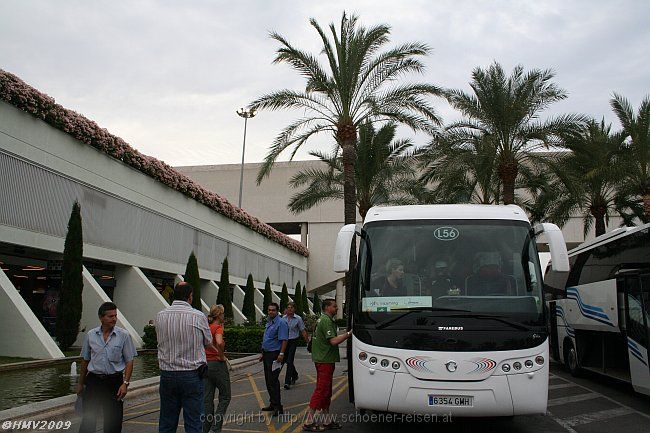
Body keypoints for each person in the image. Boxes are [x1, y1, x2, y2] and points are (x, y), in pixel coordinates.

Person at [156, 282, 214, 433]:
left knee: (167, 422)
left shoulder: (161, 315)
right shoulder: (198, 316)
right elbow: (208, 342)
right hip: (192, 375)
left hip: (167, 374)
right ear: (190, 296)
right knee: (194, 423)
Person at [77, 302, 137, 433]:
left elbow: (129, 361)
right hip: (94, 381)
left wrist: (125, 384)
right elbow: (85, 360)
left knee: (113, 421)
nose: (114, 319)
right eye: (110, 316)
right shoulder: (91, 335)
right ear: (101, 317)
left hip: (114, 382)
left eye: (115, 316)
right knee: (88, 419)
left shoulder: (123, 336)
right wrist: (80, 383)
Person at [303, 299, 351, 431]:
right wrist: (348, 334)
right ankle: (308, 421)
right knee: (321, 390)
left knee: (326, 391)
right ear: (327, 307)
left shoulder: (322, 320)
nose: (337, 308)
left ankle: (327, 420)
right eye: (334, 306)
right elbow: (334, 341)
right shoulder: (326, 321)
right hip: (325, 361)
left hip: (323, 360)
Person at [203, 304, 231, 433]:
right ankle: (216, 428)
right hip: (217, 364)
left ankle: (205, 428)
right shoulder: (218, 328)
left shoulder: (207, 328)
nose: (224, 316)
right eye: (223, 314)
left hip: (206, 364)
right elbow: (219, 342)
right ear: (219, 315)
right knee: (225, 396)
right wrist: (221, 356)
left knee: (207, 398)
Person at [259, 302, 288, 416]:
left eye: (273, 310)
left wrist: (281, 354)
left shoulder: (281, 323)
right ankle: (272, 403)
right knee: (268, 380)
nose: (271, 312)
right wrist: (262, 352)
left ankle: (278, 406)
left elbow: (284, 340)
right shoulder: (269, 321)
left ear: (277, 311)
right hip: (267, 354)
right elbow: (266, 338)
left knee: (273, 381)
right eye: (269, 310)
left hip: (275, 354)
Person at [282, 301, 310, 390]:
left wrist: (308, 342)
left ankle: (287, 382)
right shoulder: (283, 318)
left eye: (291, 308)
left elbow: (303, 330)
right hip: (284, 341)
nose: (290, 309)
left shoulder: (298, 319)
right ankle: (295, 375)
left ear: (294, 309)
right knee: (286, 360)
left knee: (290, 361)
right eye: (288, 307)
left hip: (293, 341)